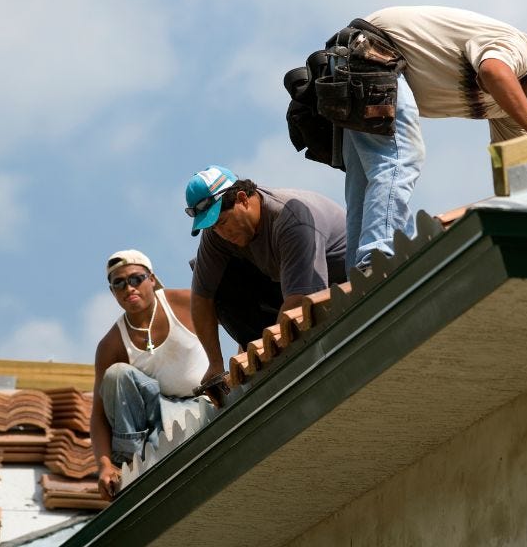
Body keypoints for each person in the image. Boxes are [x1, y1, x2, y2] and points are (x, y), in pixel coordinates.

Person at [326, 6, 527, 271]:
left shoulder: (508, 105)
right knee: (403, 156)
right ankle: (376, 260)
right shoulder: (519, 46)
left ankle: (357, 278)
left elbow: (517, 163)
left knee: (365, 182)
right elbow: (494, 71)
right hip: (374, 52)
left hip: (357, 66)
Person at [185, 165, 347, 388]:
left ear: (242, 199)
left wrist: (265, 352)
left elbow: (301, 302)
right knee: (217, 281)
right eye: (213, 228)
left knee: (296, 314)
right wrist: (215, 363)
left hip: (331, 292)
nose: (221, 233)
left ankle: (267, 351)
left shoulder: (290, 217)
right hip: (288, 293)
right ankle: (259, 348)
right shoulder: (217, 235)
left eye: (222, 222)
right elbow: (201, 299)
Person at [90, 249, 209, 501]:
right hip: (154, 416)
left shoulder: (182, 303)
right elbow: (99, 415)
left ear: (151, 279)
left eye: (136, 279)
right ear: (112, 292)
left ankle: (148, 467)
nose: (129, 288)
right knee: (116, 375)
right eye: (119, 283)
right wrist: (104, 465)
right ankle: (131, 466)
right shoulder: (112, 344)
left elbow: (236, 317)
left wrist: (234, 363)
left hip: (202, 402)